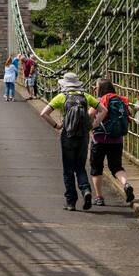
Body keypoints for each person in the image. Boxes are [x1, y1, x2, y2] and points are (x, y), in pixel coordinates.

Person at [38, 72, 100, 210]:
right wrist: (92, 125)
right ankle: (86, 191)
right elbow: (103, 110)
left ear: (64, 85)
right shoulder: (86, 96)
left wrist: (56, 125)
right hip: (83, 136)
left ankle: (71, 202)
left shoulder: (61, 97)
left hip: (68, 136)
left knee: (68, 170)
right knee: (80, 167)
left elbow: (43, 113)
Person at [88, 77, 135, 206]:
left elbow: (89, 116)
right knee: (116, 167)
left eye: (96, 87)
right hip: (117, 140)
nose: (94, 89)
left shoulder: (99, 100)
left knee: (96, 168)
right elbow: (129, 114)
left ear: (100, 88)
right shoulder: (120, 100)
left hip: (99, 140)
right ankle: (126, 184)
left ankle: (99, 197)